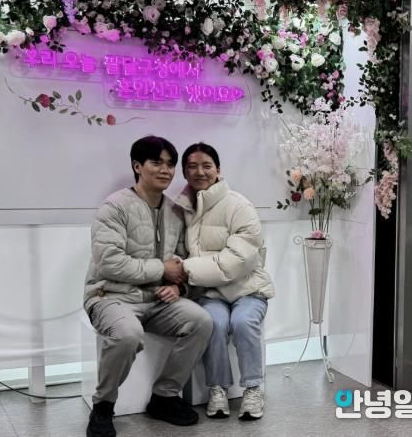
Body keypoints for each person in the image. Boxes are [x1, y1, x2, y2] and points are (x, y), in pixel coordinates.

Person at [84, 136, 213, 437]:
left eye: (170, 164)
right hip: (111, 296)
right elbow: (109, 263)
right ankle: (103, 406)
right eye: (156, 162)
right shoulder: (114, 207)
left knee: (201, 321)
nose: (165, 170)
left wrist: (179, 288)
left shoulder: (176, 212)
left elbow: (183, 262)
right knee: (128, 334)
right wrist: (161, 269)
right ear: (137, 166)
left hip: (157, 300)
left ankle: (164, 397)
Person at [175, 142, 274, 421]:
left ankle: (253, 389)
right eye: (192, 166)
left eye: (206, 165)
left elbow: (237, 261)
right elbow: (178, 250)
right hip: (209, 293)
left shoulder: (239, 205)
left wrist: (185, 269)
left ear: (218, 170)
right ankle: (217, 389)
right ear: (184, 172)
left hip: (249, 290)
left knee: (242, 322)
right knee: (214, 324)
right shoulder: (183, 209)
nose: (200, 172)